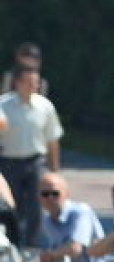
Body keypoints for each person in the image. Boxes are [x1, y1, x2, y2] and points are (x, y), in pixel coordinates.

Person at [0, 64, 62, 246]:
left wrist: (54, 169)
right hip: (10, 161)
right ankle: (12, 244)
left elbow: (52, 139)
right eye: (29, 82)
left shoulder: (45, 106)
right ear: (17, 83)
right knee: (12, 205)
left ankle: (31, 245)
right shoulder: (4, 104)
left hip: (35, 161)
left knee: (36, 206)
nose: (33, 85)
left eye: (36, 82)